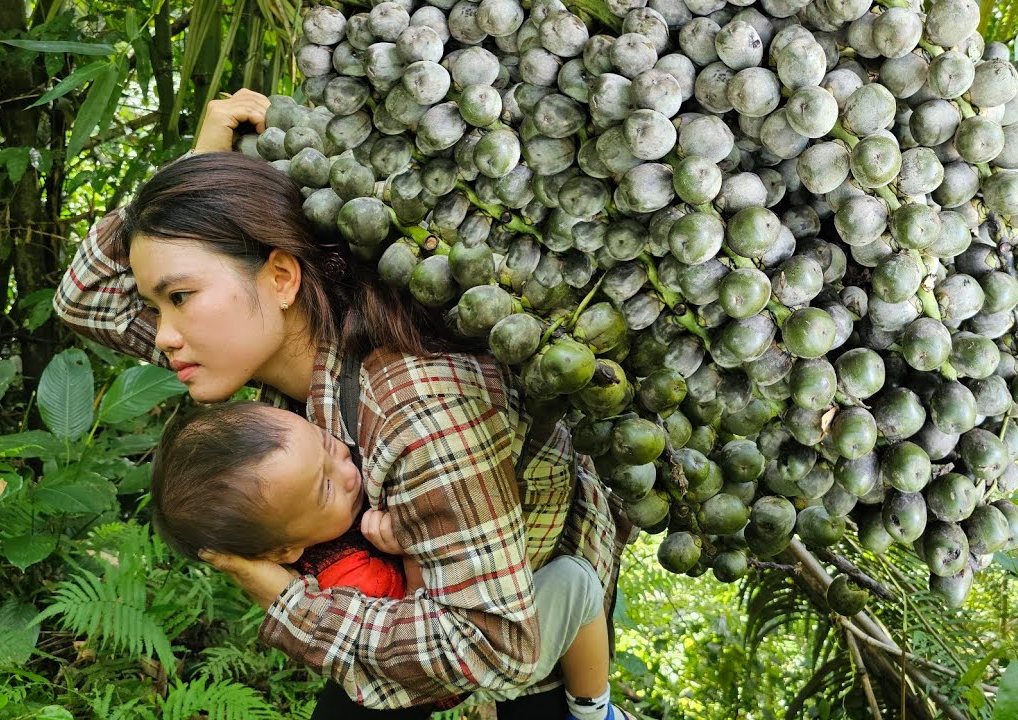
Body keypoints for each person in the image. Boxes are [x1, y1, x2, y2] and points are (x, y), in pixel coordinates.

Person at [52, 88, 633, 717]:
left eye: (182, 296)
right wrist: (197, 170)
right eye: (156, 305)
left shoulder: (415, 408)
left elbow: (494, 648)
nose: (163, 332)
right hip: (404, 629)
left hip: (520, 634)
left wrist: (283, 597)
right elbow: (85, 298)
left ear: (280, 278)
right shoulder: (291, 358)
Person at [149, 400, 633, 720]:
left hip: (475, 633)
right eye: (325, 488)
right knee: (576, 581)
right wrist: (409, 546)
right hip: (458, 664)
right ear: (285, 552)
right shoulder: (346, 577)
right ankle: (593, 707)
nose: (347, 470)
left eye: (327, 445)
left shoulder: (302, 513)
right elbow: (429, 622)